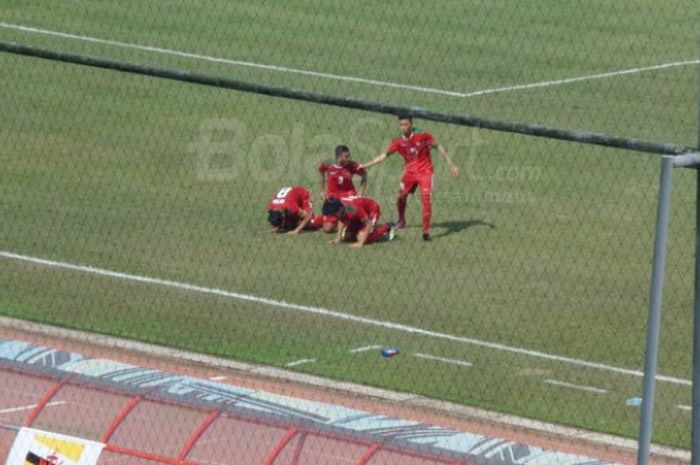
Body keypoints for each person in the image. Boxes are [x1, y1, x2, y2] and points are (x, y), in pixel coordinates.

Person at [360, 115, 459, 241]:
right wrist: (366, 165)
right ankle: (401, 220)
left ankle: (426, 230)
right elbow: (383, 156)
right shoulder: (397, 142)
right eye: (401, 125)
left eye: (406, 124)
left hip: (426, 172)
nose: (403, 127)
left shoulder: (423, 136)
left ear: (411, 124)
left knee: (425, 198)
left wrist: (451, 165)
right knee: (401, 197)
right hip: (410, 174)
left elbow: (438, 147)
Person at [317, 145, 367, 233]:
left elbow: (364, 174)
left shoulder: (352, 165)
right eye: (346, 156)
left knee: (358, 218)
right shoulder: (328, 164)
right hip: (333, 201)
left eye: (349, 156)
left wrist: (360, 194)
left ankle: (349, 222)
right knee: (327, 229)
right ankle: (344, 224)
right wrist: (321, 190)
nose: (349, 158)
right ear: (339, 157)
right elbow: (321, 170)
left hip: (348, 198)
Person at [321, 196, 396, 248]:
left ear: (339, 209)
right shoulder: (341, 207)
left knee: (362, 237)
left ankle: (387, 227)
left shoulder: (352, 209)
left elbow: (368, 223)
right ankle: (372, 228)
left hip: (371, 210)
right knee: (348, 236)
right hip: (360, 215)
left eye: (333, 213)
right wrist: (338, 238)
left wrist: (361, 243)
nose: (333, 216)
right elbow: (341, 219)